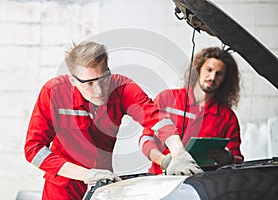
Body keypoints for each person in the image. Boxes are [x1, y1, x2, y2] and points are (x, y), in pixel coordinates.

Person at [24, 41, 203, 200]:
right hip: (62, 187)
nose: (100, 90)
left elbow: (155, 117)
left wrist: (178, 152)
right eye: (89, 83)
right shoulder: (54, 93)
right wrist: (86, 175)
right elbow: (34, 149)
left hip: (103, 186)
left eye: (103, 79)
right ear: (73, 80)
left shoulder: (122, 88)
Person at [141, 47, 244, 175]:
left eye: (219, 73)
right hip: (161, 181)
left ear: (225, 78)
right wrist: (165, 161)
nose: (212, 77)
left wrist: (228, 158)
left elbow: (237, 158)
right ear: (198, 69)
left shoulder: (228, 117)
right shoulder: (167, 99)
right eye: (209, 70)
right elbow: (146, 140)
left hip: (202, 185)